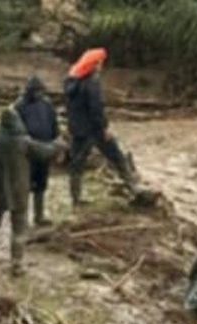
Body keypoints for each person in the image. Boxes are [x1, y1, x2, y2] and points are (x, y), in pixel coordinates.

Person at [0, 108, 63, 279]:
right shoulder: (24, 143)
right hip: (20, 192)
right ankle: (17, 265)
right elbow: (45, 152)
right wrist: (58, 145)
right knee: (19, 229)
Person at [63, 47, 141, 206]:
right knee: (117, 157)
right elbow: (96, 108)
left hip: (77, 129)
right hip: (94, 130)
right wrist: (104, 128)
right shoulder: (92, 83)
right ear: (95, 64)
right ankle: (134, 190)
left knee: (77, 164)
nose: (101, 66)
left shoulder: (71, 81)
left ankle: (75, 198)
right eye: (100, 63)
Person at [15, 75, 59, 226]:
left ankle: (39, 216)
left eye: (41, 91)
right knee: (24, 185)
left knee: (41, 184)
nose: (39, 94)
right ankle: (23, 218)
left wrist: (55, 144)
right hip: (27, 151)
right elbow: (14, 129)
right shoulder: (19, 106)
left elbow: (54, 124)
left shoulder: (47, 104)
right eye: (36, 91)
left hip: (45, 149)